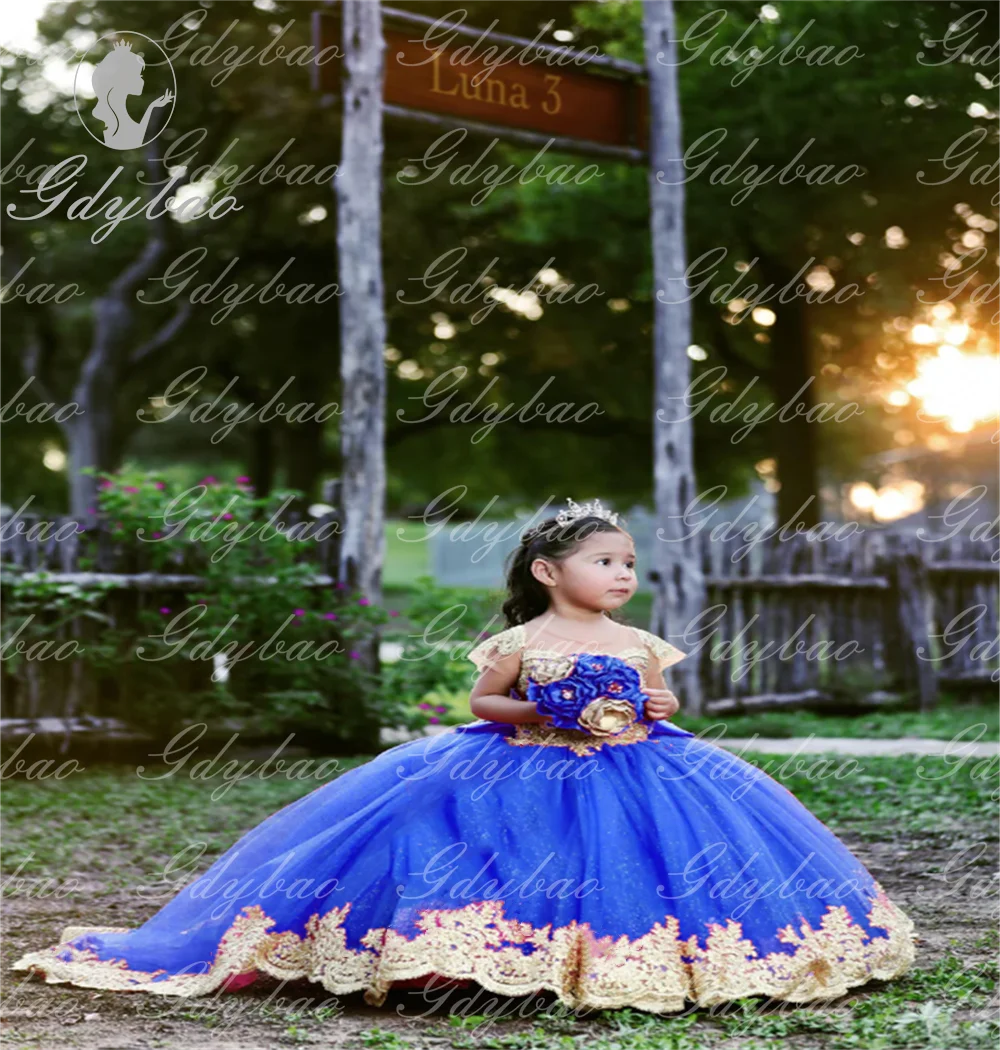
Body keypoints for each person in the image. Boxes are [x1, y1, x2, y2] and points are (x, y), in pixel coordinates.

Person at [11, 499, 917, 1013]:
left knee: (646, 860)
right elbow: (482, 704)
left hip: (638, 765)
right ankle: (455, 954)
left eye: (629, 563)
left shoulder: (641, 639)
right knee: (475, 844)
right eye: (605, 563)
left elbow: (667, 701)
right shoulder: (522, 636)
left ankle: (635, 956)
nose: (623, 576)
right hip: (518, 757)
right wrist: (542, 704)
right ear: (548, 573)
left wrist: (647, 703)